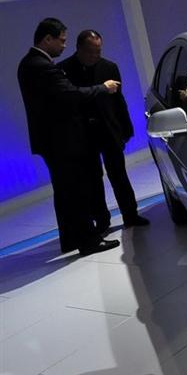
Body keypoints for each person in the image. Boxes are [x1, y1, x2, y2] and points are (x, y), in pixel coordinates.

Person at [17, 18, 121, 256]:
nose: (64, 46)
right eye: (62, 41)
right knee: (77, 191)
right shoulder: (41, 66)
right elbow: (71, 95)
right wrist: (103, 88)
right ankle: (89, 241)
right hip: (62, 141)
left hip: (51, 140)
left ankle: (71, 239)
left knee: (65, 193)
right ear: (47, 39)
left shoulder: (28, 63)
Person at [61, 30, 150, 232]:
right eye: (90, 51)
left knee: (119, 174)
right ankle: (101, 220)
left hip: (108, 129)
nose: (95, 56)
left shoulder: (109, 67)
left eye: (98, 51)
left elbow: (118, 101)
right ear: (79, 49)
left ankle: (130, 214)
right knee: (92, 179)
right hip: (82, 134)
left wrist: (126, 128)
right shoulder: (64, 70)